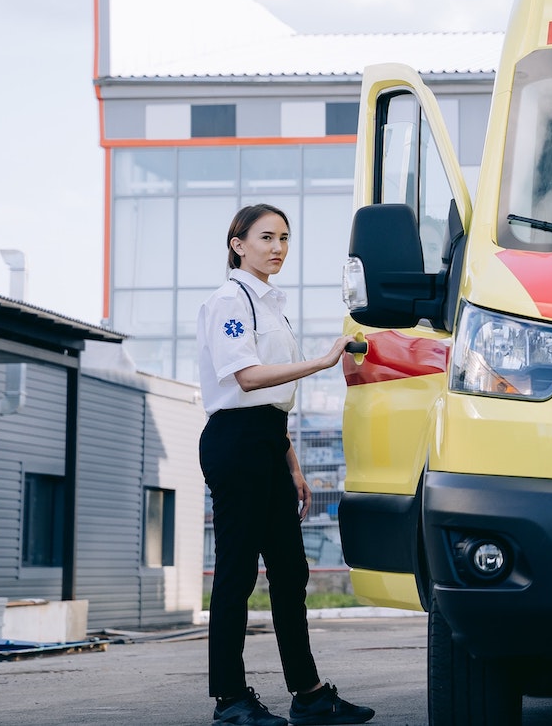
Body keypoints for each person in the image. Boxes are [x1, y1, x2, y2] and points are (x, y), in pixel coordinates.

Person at [197, 204, 375, 726]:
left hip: (268, 442)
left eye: (285, 239)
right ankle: (229, 700)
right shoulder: (230, 300)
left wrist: (292, 460)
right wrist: (322, 361)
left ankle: (310, 694)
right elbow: (248, 379)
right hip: (235, 441)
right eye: (266, 237)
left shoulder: (271, 304)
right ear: (238, 244)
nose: (278, 248)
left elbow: (275, 401)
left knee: (291, 572)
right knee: (236, 573)